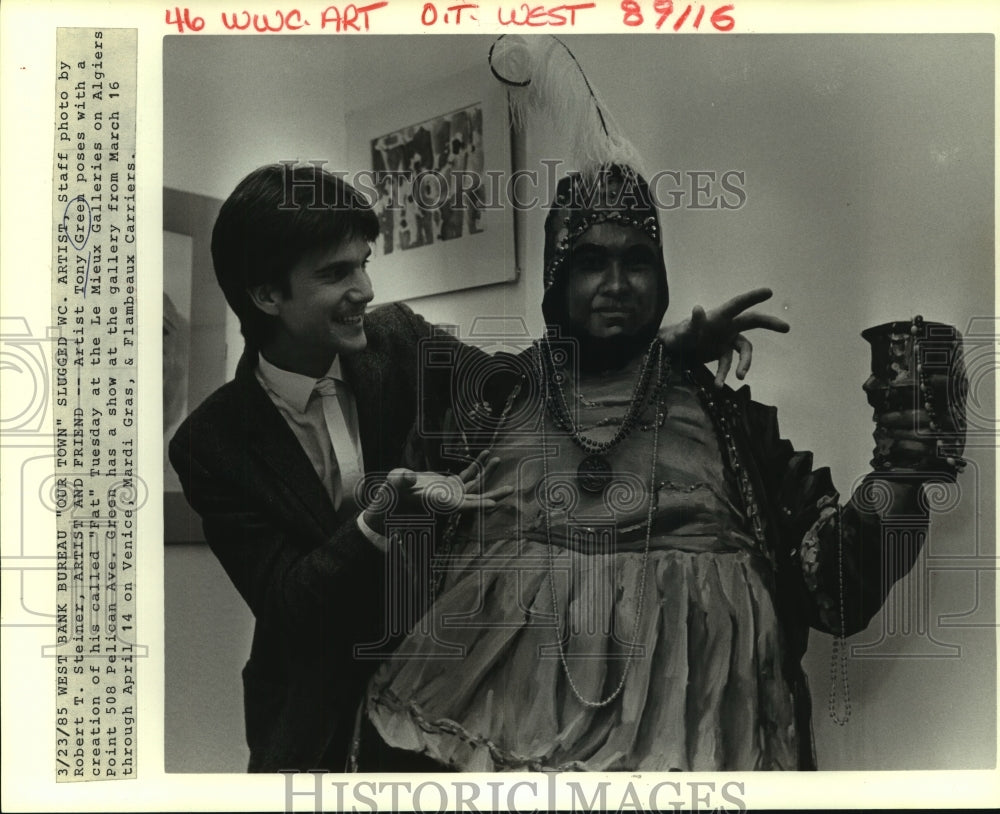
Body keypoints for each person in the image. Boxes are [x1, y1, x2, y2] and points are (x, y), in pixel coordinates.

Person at [168, 162, 770, 773]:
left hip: (436, 693)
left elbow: (520, 384)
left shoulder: (396, 340)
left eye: (364, 262)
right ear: (267, 294)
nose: (366, 290)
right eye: (336, 273)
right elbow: (288, 605)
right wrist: (376, 526)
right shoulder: (212, 444)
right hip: (311, 720)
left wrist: (659, 345)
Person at [362, 164, 967, 771]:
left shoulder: (732, 425)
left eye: (639, 261)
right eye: (591, 262)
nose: (618, 283)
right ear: (556, 277)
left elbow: (835, 589)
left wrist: (905, 470)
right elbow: (382, 343)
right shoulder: (492, 404)